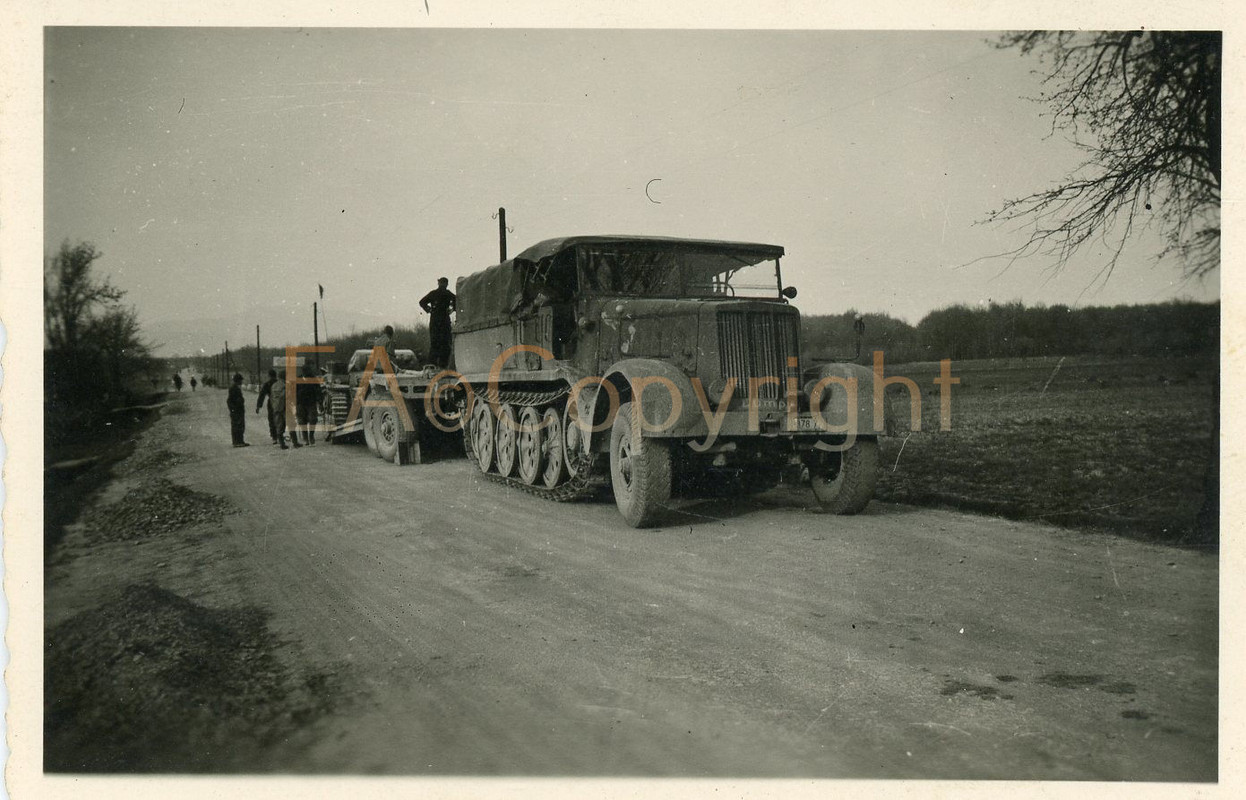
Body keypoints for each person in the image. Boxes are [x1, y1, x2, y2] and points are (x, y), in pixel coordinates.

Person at [419, 277, 456, 368]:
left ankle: (432, 365)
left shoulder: (433, 293)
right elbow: (457, 300)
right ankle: (443, 365)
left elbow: (422, 302)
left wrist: (429, 309)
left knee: (435, 343)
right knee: (445, 343)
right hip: (444, 320)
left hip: (435, 320)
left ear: (439, 283)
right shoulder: (448, 294)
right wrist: (452, 309)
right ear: (446, 284)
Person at [270, 370, 298, 449]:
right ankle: (295, 443)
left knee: (279, 426)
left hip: (276, 408)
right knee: (291, 424)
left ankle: (282, 444)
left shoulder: (274, 385)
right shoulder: (286, 385)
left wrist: (274, 406)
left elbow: (272, 397)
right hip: (286, 407)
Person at [295, 364, 322, 446]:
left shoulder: (314, 379)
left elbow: (318, 391)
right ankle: (305, 438)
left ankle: (311, 436)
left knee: (313, 419)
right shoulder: (298, 379)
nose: (305, 372)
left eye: (306, 371)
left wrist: (320, 402)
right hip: (300, 403)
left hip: (311, 402)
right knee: (302, 421)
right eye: (304, 371)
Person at [256, 369, 280, 444]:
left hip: (271, 403)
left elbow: (262, 395)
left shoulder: (267, 384)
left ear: (269, 376)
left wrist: (258, 406)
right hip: (280, 403)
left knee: (272, 420)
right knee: (280, 419)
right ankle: (279, 435)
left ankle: (274, 437)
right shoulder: (279, 383)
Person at [227, 373, 249, 447]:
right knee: (237, 426)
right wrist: (233, 409)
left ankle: (240, 441)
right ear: (238, 380)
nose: (241, 381)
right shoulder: (234, 388)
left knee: (240, 426)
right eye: (240, 380)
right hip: (236, 411)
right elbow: (229, 401)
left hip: (238, 410)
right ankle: (237, 442)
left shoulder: (235, 387)